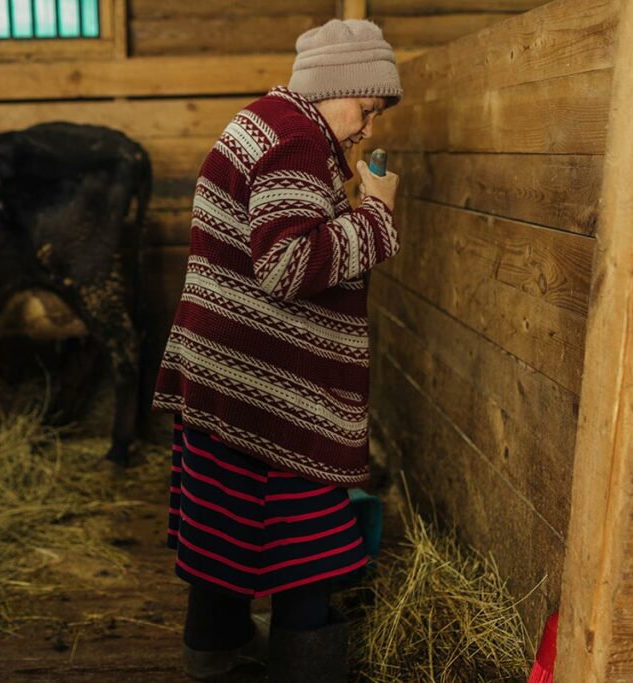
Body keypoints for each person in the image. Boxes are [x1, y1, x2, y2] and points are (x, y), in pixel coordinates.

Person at [150, 17, 403, 682]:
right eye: (366, 110)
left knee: (222, 536)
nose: (367, 129)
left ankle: (213, 657)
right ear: (335, 89)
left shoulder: (266, 121)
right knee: (309, 549)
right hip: (268, 397)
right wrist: (375, 215)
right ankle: (304, 666)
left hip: (227, 378)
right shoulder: (293, 140)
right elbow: (286, 265)